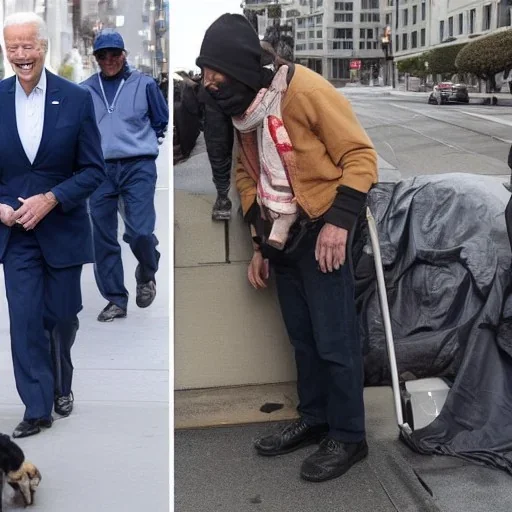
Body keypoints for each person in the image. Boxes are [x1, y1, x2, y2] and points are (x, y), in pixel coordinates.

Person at [196, 14, 378, 482]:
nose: (211, 86)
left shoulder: (305, 91)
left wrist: (339, 225)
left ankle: (349, 435)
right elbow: (247, 174)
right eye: (206, 78)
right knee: (302, 337)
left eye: (217, 76)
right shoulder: (245, 108)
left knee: (335, 339)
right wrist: (260, 242)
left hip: (324, 225)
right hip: (283, 234)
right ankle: (317, 418)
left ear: (239, 67)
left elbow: (360, 156)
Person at [0, 12, 106, 438]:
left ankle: (63, 380)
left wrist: (51, 199)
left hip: (61, 228)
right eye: (13, 48)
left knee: (61, 318)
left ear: (44, 47)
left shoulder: (76, 99)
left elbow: (94, 170)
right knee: (25, 321)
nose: (22, 55)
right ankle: (37, 407)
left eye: (29, 46)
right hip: (14, 235)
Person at [81, 29, 169, 322]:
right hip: (99, 170)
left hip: (137, 166)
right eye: (102, 55)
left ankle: (147, 270)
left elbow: (160, 120)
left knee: (140, 231)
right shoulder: (85, 90)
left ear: (124, 55)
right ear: (96, 58)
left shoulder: (143, 84)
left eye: (114, 54)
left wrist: (140, 145)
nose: (109, 60)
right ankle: (115, 299)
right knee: (103, 237)